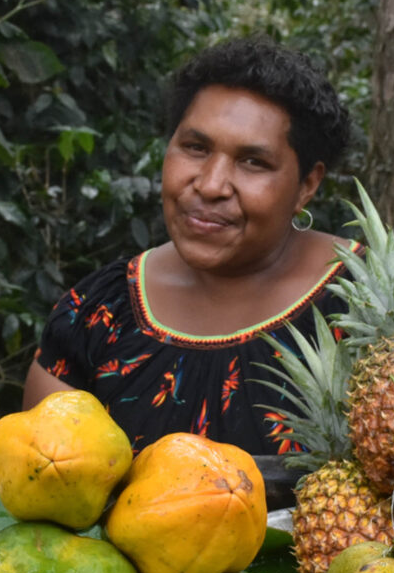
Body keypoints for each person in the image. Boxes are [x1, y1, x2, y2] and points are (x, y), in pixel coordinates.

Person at [23, 35, 355, 457]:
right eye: (196, 148)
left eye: (253, 162)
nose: (211, 185)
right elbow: (39, 478)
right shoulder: (97, 315)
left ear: (307, 185)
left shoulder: (364, 308)